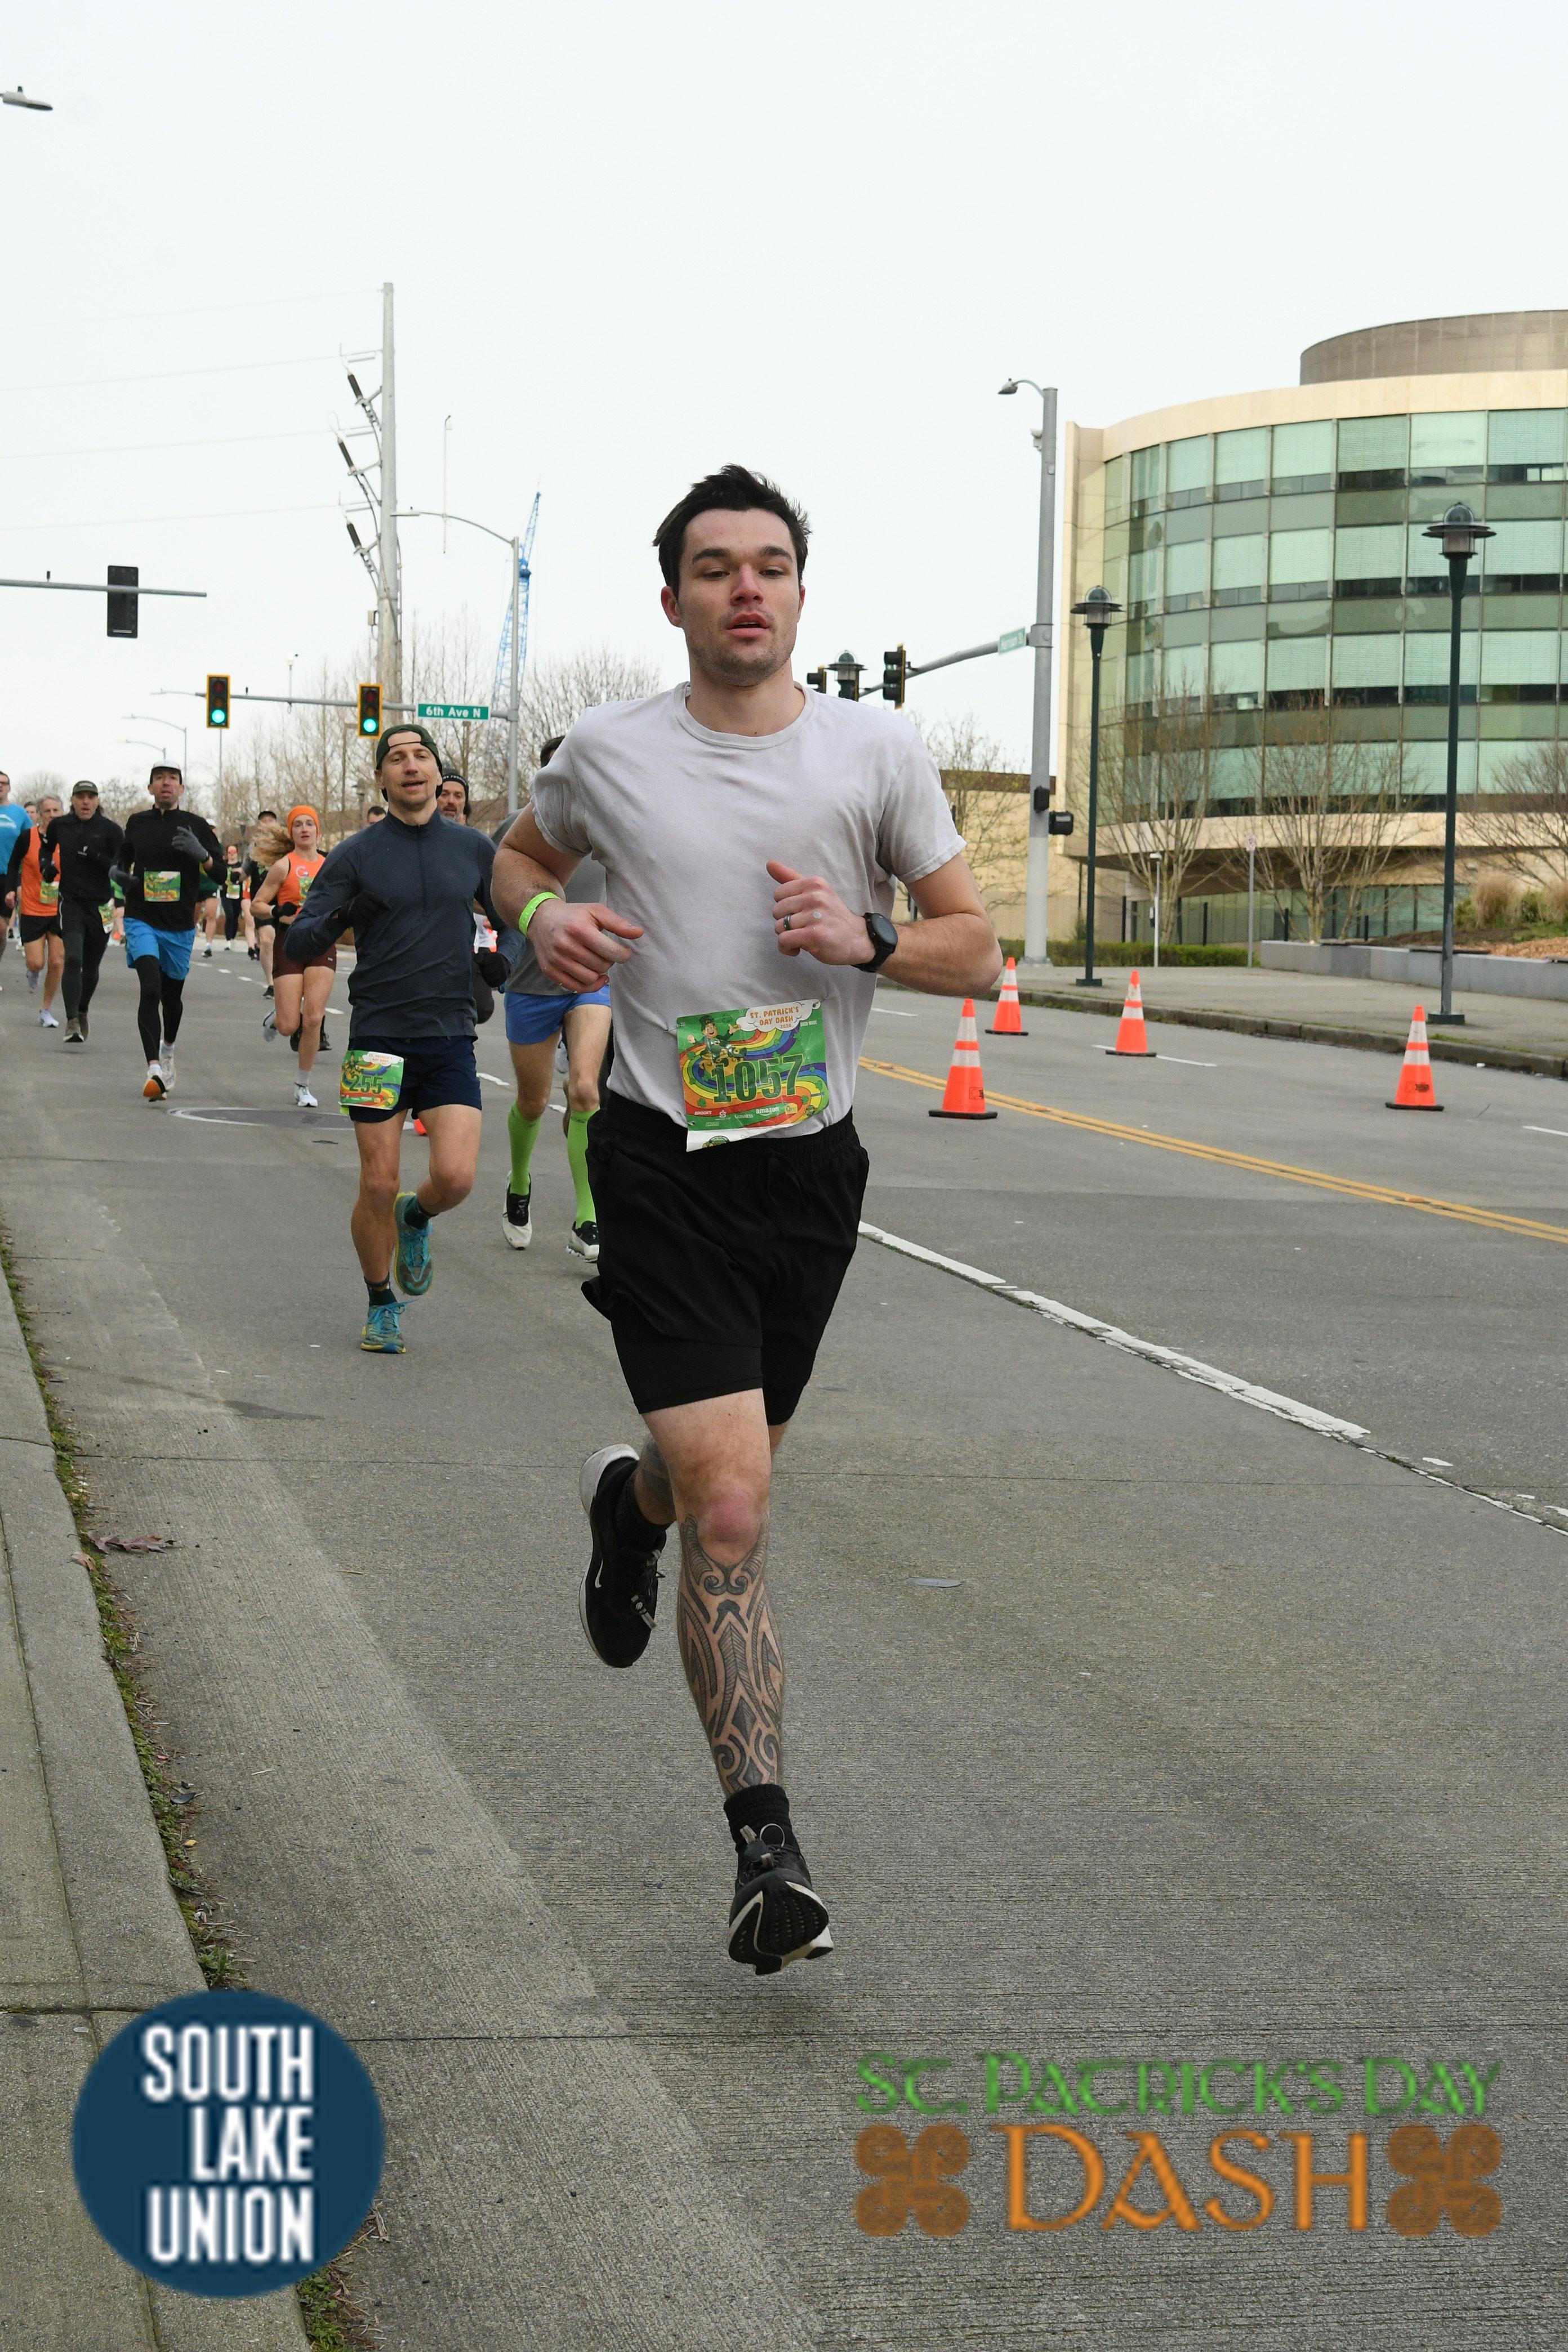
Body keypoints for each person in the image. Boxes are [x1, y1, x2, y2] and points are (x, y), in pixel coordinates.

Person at [492, 464, 1000, 1975]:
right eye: (714, 567)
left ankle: (625, 1508)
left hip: (805, 1173)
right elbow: (518, 856)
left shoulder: (874, 752)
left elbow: (977, 949)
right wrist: (540, 918)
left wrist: (871, 936)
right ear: (673, 600)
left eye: (769, 564)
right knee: (736, 1506)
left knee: (712, 1474)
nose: (745, 588)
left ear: (799, 590)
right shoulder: (608, 751)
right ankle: (765, 1850)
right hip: (659, 1154)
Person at [283, 724, 498, 1354]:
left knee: (455, 1178)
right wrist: (344, 916)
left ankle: (417, 1214)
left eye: (421, 756)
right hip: (377, 1035)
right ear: (381, 778)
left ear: (437, 772)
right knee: (377, 1182)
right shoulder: (355, 855)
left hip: (450, 1034)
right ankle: (381, 1303)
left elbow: (513, 917)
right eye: (396, 758)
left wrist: (504, 958)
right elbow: (299, 938)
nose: (410, 765)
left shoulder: (473, 849)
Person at [492, 736, 611, 1259]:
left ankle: (587, 1218)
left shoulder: (610, 829)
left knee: (586, 1091)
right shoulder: (515, 831)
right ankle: (519, 1185)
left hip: (591, 982)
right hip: (531, 983)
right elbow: (490, 896)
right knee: (534, 1102)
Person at [114, 762, 224, 1099]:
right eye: (160, 779)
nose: (166, 783)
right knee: (150, 988)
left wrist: (203, 855)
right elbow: (122, 860)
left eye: (173, 779)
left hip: (178, 924)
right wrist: (119, 874)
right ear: (150, 788)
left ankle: (168, 1050)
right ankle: (153, 1069)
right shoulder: (137, 822)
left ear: (181, 788)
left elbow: (221, 874)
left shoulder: (196, 825)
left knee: (171, 997)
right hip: (141, 917)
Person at [251, 804, 332, 1109]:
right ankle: (275, 1019)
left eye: (309, 823)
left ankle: (303, 1085)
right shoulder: (283, 865)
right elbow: (257, 904)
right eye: (298, 825)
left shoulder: (330, 864)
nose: (304, 829)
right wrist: (275, 911)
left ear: (317, 830)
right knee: (289, 1025)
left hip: (322, 942)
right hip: (290, 941)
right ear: (292, 832)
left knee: (313, 1017)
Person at [41, 780, 122, 1043]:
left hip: (101, 905)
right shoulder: (60, 825)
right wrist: (46, 865)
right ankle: (72, 1021)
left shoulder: (111, 830)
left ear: (97, 801)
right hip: (71, 902)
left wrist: (96, 857)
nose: (85, 802)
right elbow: (46, 848)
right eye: (80, 797)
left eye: (90, 797)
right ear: (73, 800)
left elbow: (120, 867)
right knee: (73, 958)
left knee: (91, 965)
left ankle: (83, 1009)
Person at [7, 792, 65, 1024]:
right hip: (32, 908)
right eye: (47, 811)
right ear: (40, 815)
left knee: (57, 962)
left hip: (60, 909)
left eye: (56, 811)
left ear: (62, 813)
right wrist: (10, 890)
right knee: (36, 962)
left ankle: (45, 1010)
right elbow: (13, 865)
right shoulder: (27, 837)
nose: (52, 815)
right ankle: (33, 971)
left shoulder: (68, 838)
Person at [245, 810, 282, 990]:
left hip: (285, 901)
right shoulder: (253, 847)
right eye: (264, 821)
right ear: (259, 826)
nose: (267, 823)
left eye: (271, 820)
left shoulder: (285, 846)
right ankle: (271, 983)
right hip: (262, 901)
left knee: (283, 942)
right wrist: (237, 875)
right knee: (267, 939)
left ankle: (285, 979)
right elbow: (244, 870)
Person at [0, 772, 26, 986]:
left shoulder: (19, 814)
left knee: (1, 929)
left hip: (7, 877)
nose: (0, 786)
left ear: (9, 787)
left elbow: (32, 843)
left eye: (3, 783)